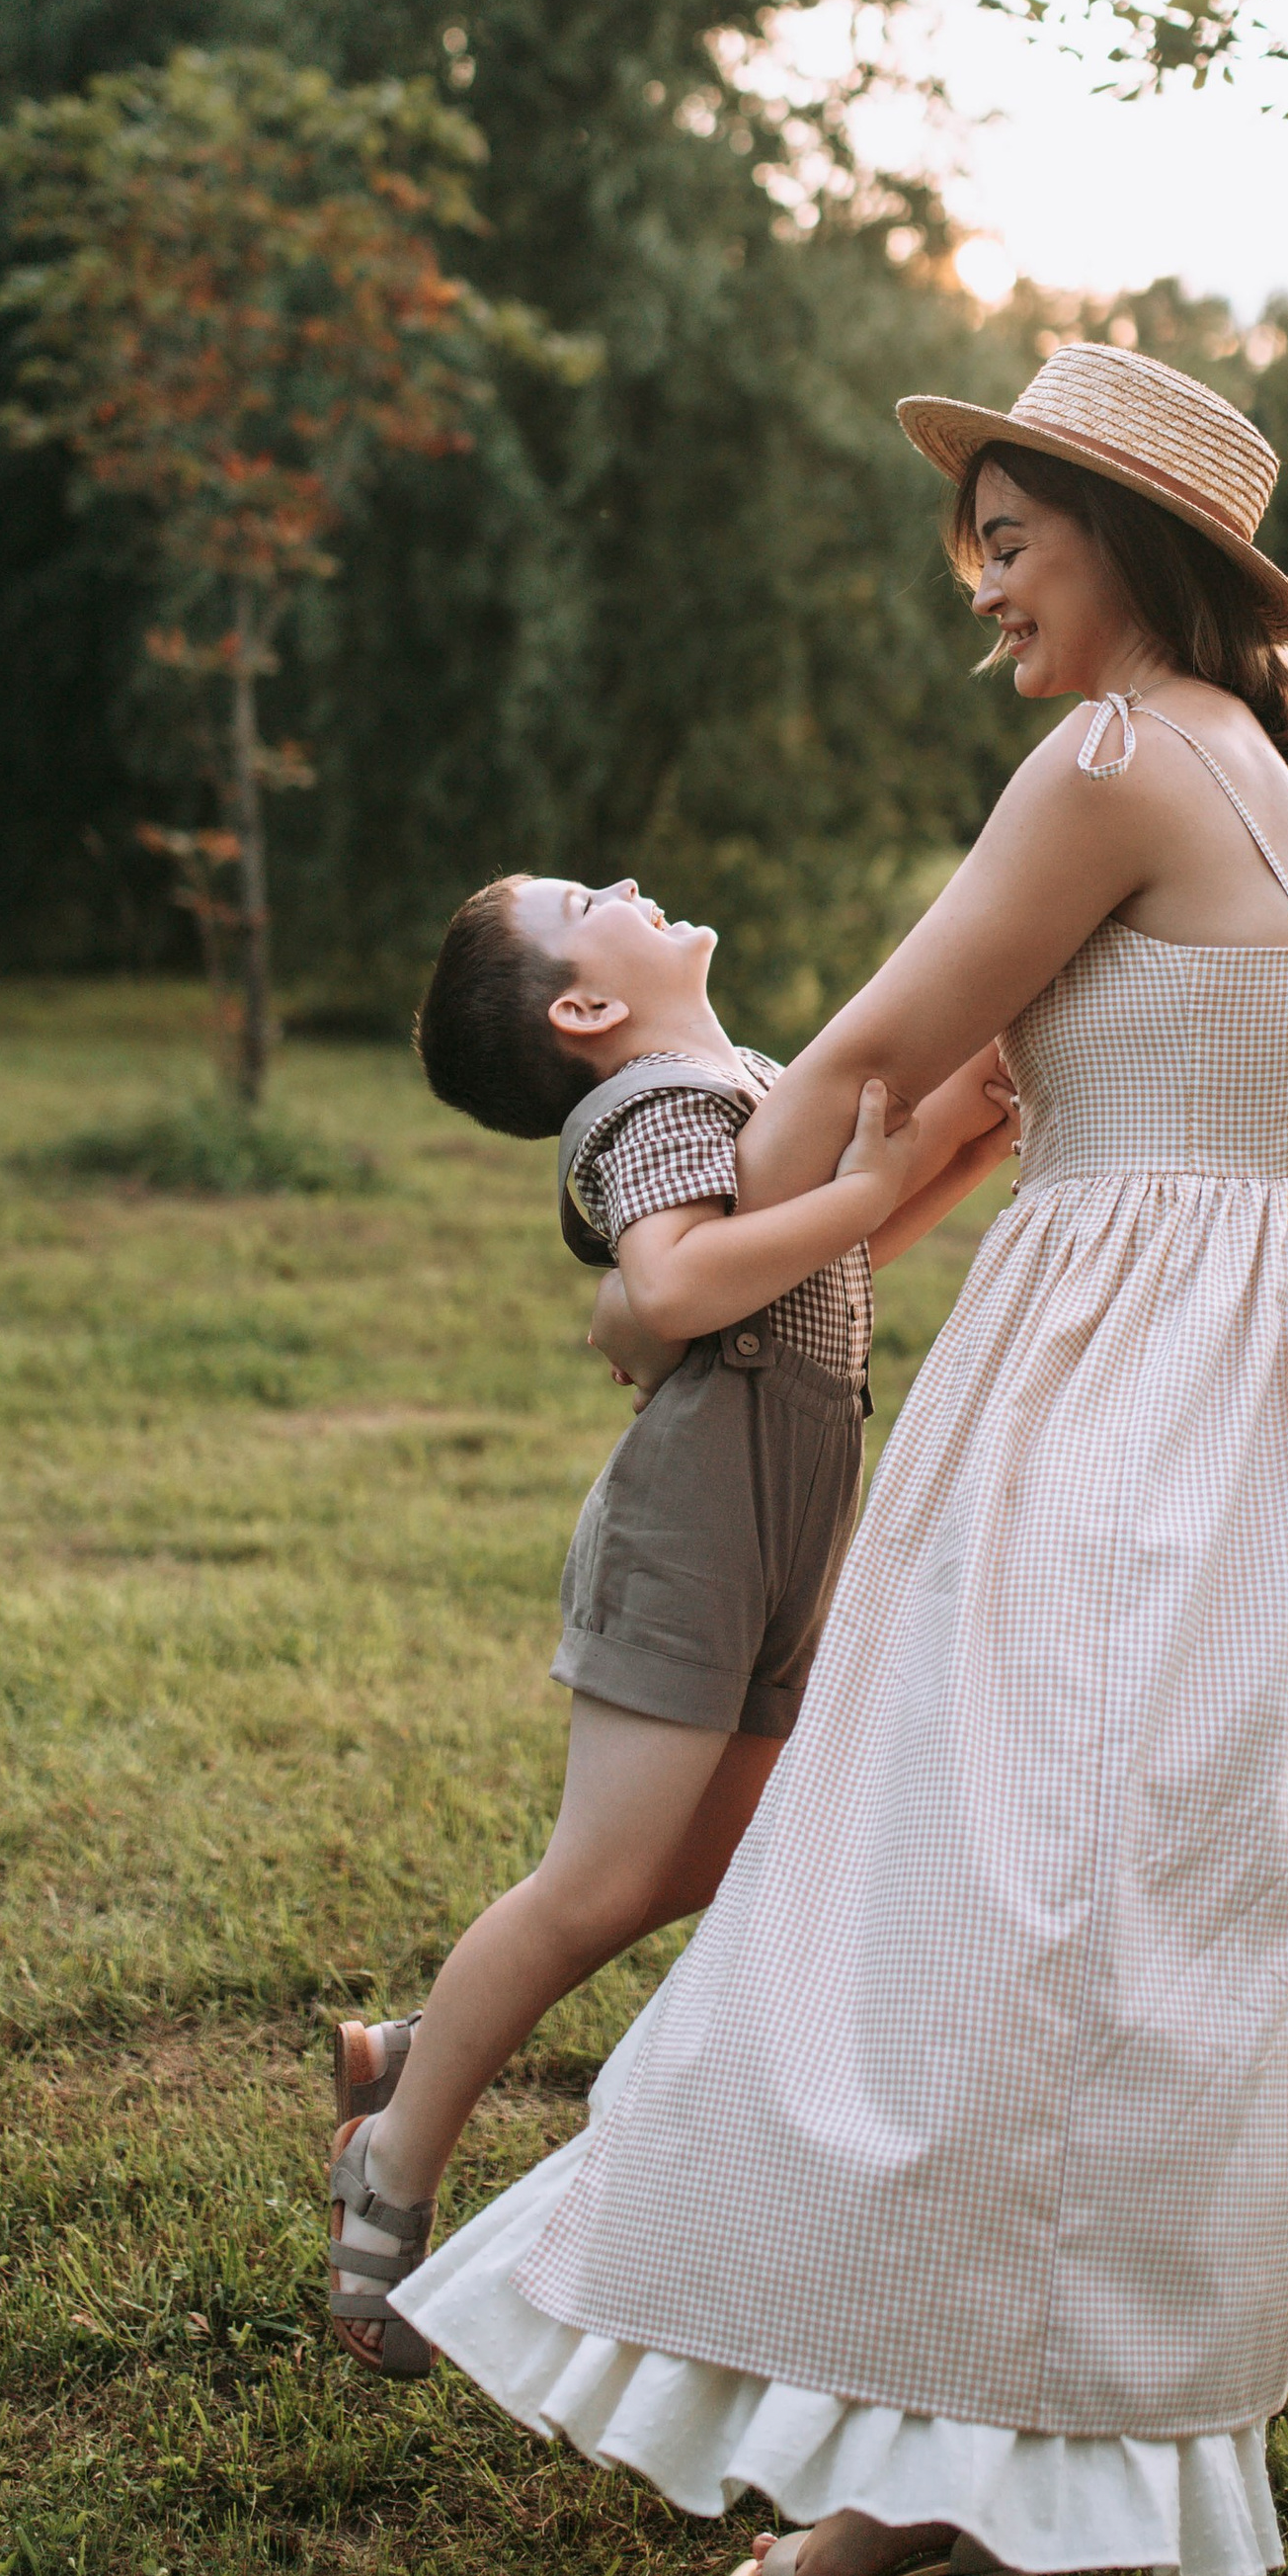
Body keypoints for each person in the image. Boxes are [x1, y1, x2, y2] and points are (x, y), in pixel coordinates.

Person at [389, 341, 1288, 2576]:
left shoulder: (1112, 756)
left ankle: (920, 2464)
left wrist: (667, 1257)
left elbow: (863, 1052)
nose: (984, 593)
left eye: (1009, 546)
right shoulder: (1250, 759)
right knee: (1100, 1932)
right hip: (1228, 1406)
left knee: (941, 1907)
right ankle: (999, 2476)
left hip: (1109, 1403)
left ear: (1119, 547)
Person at [327, 866, 1015, 2376]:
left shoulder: (741, 1083)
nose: (628, 882)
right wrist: (860, 1190)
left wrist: (962, 1145)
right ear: (584, 1008)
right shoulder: (647, 1111)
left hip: (786, 1525)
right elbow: (678, 1283)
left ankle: (429, 2044)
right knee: (597, 1881)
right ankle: (389, 2165)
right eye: (588, 896)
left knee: (730, 1856)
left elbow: (831, 1256)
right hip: (696, 1531)